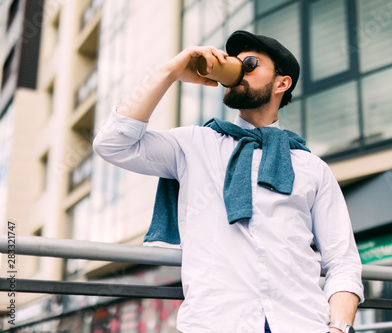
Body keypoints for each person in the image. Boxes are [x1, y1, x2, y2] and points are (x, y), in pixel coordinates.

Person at [93, 30, 364, 333]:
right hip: (215, 324)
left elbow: (343, 261)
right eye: (234, 64)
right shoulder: (194, 145)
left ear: (281, 83)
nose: (237, 71)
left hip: (301, 324)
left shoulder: (312, 168)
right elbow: (112, 144)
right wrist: (169, 72)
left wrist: (338, 329)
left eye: (249, 64)